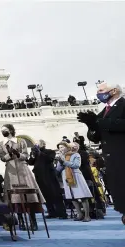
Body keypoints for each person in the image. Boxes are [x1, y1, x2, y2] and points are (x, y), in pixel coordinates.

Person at [78, 82, 124, 224]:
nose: (99, 93)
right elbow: (95, 137)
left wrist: (100, 122)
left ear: (114, 91)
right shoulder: (104, 111)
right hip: (112, 160)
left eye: (102, 90)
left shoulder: (123, 105)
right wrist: (91, 125)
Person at [0, 124, 45, 231]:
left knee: (28, 195)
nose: (3, 132)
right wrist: (9, 155)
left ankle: (33, 221)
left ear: (10, 130)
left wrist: (17, 154)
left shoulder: (20, 141)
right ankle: (21, 222)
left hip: (22, 169)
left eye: (5, 130)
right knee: (14, 197)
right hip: (10, 170)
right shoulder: (1, 144)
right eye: (2, 130)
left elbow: (25, 155)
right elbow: (2, 158)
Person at [28, 140, 67, 219]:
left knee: (55, 194)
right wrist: (32, 156)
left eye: (38, 144)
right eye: (36, 144)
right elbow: (30, 162)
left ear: (43, 144)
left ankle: (62, 213)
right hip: (39, 176)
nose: (36, 145)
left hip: (49, 175)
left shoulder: (50, 151)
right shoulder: (34, 153)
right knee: (45, 195)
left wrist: (40, 152)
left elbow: (49, 159)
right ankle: (51, 212)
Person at [56, 142, 92, 222]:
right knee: (72, 197)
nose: (60, 149)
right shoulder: (61, 157)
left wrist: (64, 162)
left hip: (76, 176)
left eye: (62, 147)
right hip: (66, 176)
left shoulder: (75, 155)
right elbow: (58, 169)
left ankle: (87, 216)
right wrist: (60, 162)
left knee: (82, 196)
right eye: (59, 148)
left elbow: (76, 165)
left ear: (67, 147)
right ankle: (80, 214)